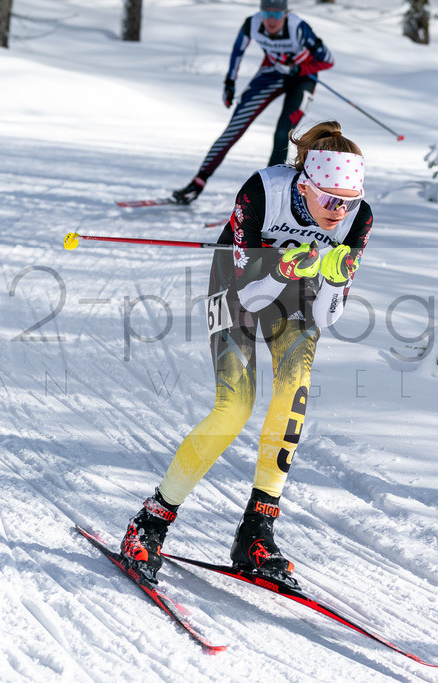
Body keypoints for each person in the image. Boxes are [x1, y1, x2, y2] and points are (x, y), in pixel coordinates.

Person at [122, 121, 373, 584]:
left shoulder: (359, 217)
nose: (340, 212)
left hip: (300, 291)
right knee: (234, 405)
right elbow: (251, 295)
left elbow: (326, 316)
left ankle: (257, 532)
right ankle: (150, 522)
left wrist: (335, 278)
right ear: (305, 184)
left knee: (292, 395)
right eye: (330, 199)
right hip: (239, 281)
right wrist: (282, 266)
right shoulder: (262, 191)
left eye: (349, 200)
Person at [171, 0, 334, 205]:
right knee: (235, 126)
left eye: (277, 15)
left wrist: (298, 69)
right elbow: (237, 51)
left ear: (286, 14)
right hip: (272, 73)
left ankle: (270, 194)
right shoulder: (252, 24)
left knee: (284, 131)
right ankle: (197, 184)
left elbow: (327, 59)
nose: (271, 20)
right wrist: (230, 82)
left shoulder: (298, 27)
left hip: (303, 78)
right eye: (267, 14)